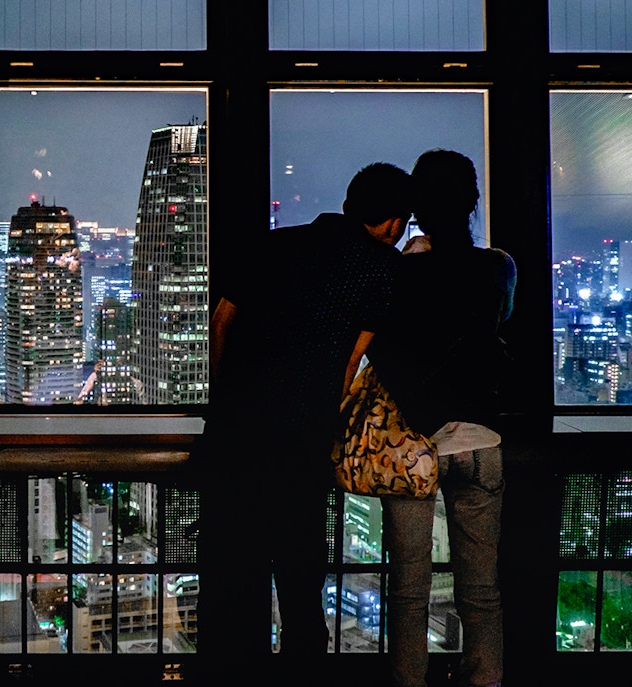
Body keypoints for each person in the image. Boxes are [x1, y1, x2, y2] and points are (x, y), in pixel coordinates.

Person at [204, 162, 413, 674]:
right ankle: (303, 672)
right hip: (301, 440)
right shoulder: (380, 268)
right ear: (392, 223)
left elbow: (221, 323)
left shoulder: (274, 245)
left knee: (234, 566)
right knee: (300, 578)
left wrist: (228, 396)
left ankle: (231, 667)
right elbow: (348, 366)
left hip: (235, 432)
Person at [365, 149, 516, 687]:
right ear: (472, 203)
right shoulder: (498, 267)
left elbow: (380, 342)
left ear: (417, 211)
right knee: (482, 592)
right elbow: (501, 324)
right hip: (480, 442)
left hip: (413, 446)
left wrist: (411, 256)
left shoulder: (399, 273)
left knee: (409, 591)